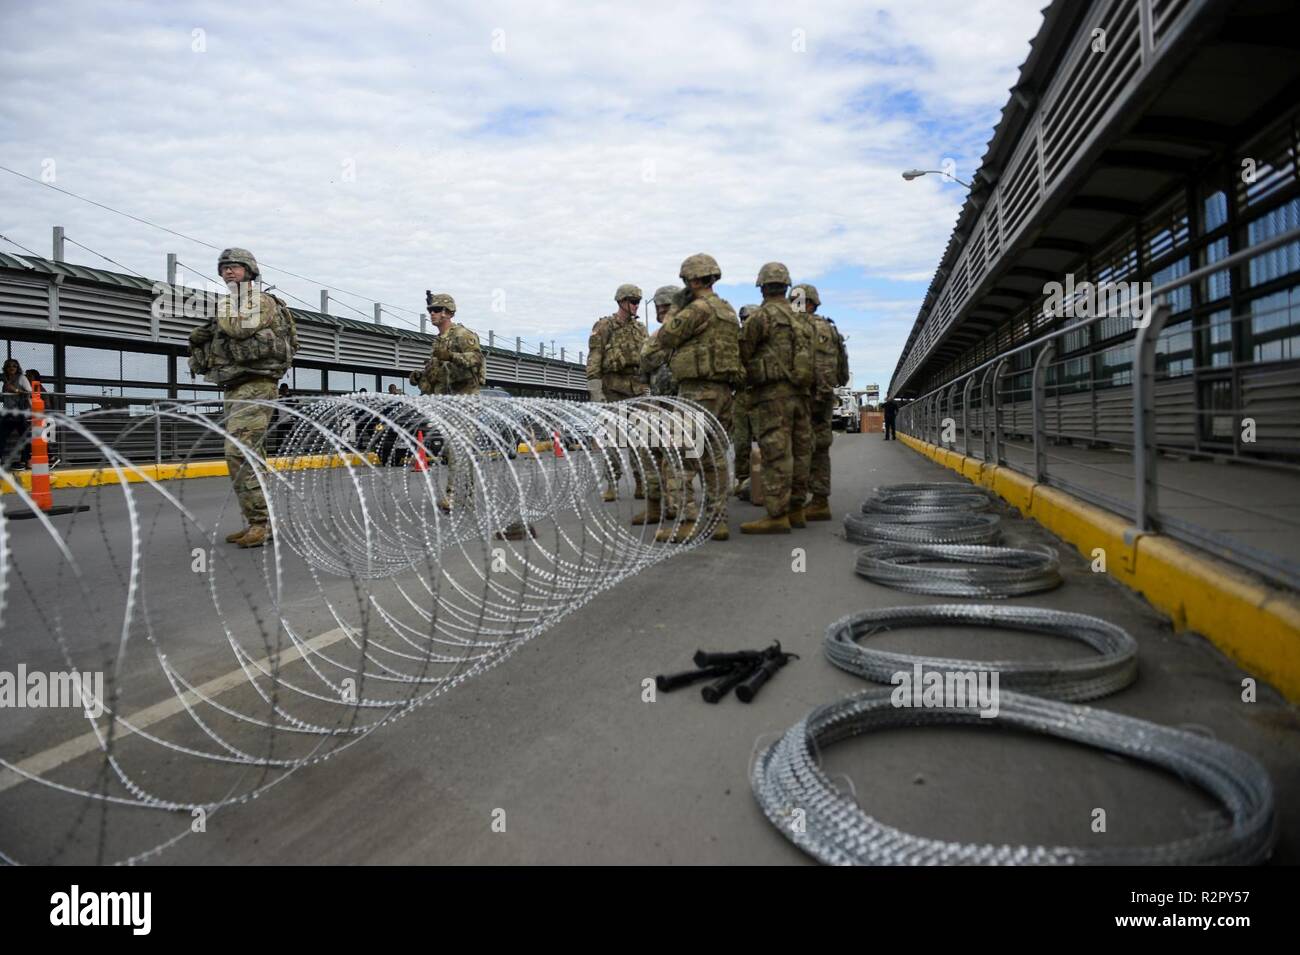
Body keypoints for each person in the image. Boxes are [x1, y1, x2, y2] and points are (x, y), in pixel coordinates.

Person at [188, 248, 299, 548]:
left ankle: (261, 522)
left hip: (258, 385)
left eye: (235, 267)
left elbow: (240, 328)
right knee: (252, 455)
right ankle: (259, 521)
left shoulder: (259, 301)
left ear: (249, 270)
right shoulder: (232, 304)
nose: (228, 271)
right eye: (224, 267)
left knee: (238, 451)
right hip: (236, 385)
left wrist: (221, 313)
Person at [653, 253, 742, 542]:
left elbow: (666, 337)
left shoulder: (697, 310)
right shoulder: (727, 310)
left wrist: (676, 308)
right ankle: (718, 522)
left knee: (679, 457)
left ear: (691, 279)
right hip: (723, 392)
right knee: (713, 458)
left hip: (696, 392)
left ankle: (685, 523)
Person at [738, 262, 814, 534]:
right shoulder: (800, 319)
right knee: (801, 451)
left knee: (776, 453)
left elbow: (743, 351)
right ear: (786, 286)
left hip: (773, 395)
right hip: (801, 395)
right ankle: (796, 509)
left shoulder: (762, 317)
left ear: (762, 287)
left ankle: (776, 515)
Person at [410, 292, 488, 513]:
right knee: (454, 450)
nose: (432, 314)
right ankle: (466, 495)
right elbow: (438, 374)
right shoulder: (439, 341)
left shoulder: (462, 335)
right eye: (430, 310)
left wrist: (451, 356)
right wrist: (420, 378)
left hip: (464, 399)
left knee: (458, 449)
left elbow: (476, 359)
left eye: (435, 310)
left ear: (447, 313)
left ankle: (454, 497)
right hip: (447, 401)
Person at [587, 284, 649, 502]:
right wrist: (596, 391)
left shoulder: (640, 329)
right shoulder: (604, 326)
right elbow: (594, 358)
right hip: (612, 388)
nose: (636, 306)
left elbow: (647, 358)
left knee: (639, 440)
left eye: (638, 302)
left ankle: (641, 482)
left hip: (638, 388)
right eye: (633, 301)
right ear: (622, 302)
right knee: (612, 440)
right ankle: (612, 483)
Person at [793, 284, 849, 521]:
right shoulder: (827, 327)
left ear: (809, 304)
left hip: (811, 397)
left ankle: (814, 501)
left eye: (796, 301)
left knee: (809, 447)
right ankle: (813, 499)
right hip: (816, 396)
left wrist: (820, 396)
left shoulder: (814, 328)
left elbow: (825, 366)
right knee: (814, 448)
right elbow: (841, 371)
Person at [636, 284, 688, 527]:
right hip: (658, 404)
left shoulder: (683, 333)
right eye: (659, 307)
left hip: (680, 405)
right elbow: (645, 366)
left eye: (663, 307)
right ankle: (655, 506)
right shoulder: (658, 336)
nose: (660, 311)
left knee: (675, 459)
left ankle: (677, 508)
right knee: (652, 456)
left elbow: (647, 358)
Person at [732, 305, 758, 500]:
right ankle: (742, 480)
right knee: (741, 443)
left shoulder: (764, 341)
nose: (746, 321)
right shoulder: (736, 342)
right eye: (743, 318)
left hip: (760, 396)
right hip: (740, 396)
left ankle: (764, 481)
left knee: (767, 442)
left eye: (749, 318)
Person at [0, 359, 32, 470]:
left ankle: (27, 461)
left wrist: (16, 390)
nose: (12, 368)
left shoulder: (22, 378)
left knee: (25, 437)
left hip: (19, 412)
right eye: (9, 366)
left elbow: (30, 392)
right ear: (6, 368)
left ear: (17, 367)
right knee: (1, 437)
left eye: (14, 366)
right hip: (7, 413)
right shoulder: (5, 381)